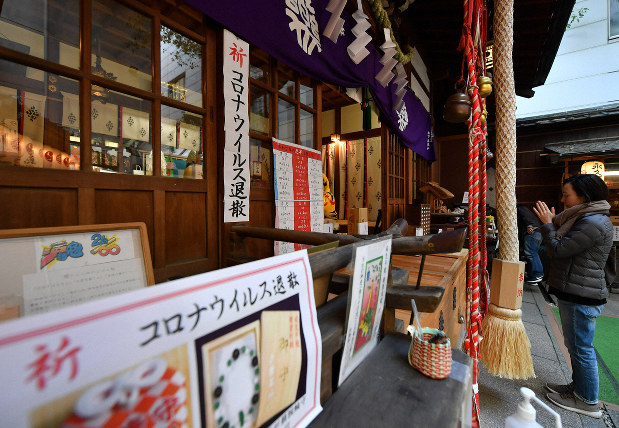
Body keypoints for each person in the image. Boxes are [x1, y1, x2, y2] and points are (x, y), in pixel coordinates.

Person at [533, 174, 613, 419]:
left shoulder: (593, 222)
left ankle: (587, 401)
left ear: (584, 197)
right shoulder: (583, 217)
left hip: (582, 293)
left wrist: (548, 224)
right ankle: (578, 389)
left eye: (567, 194)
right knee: (576, 346)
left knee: (581, 348)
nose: (563, 199)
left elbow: (558, 249)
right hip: (576, 290)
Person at [517, 205, 544, 283]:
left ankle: (537, 274)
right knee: (532, 253)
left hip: (533, 233)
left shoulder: (520, 208)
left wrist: (530, 226)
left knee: (531, 254)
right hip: (537, 233)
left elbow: (527, 217)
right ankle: (532, 277)